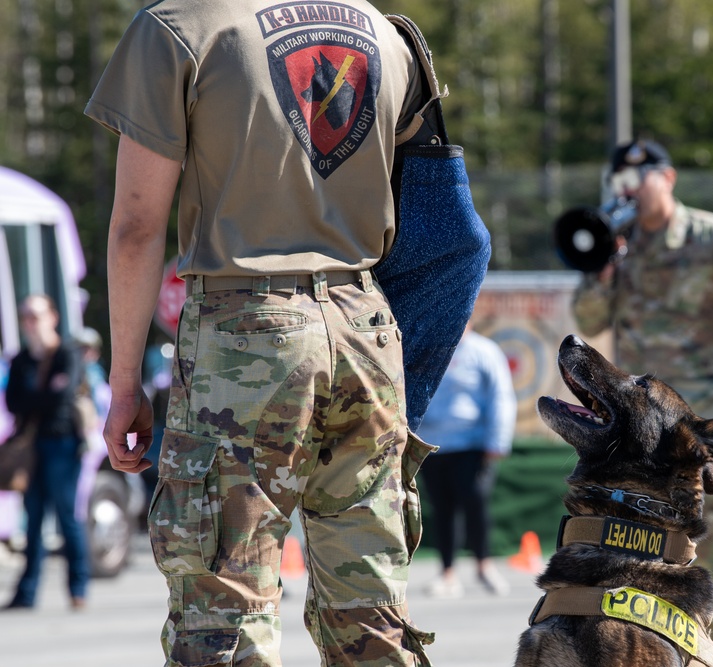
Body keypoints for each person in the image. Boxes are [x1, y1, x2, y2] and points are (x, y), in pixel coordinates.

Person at [85, 3, 440, 665]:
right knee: (371, 614)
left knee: (225, 608)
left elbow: (138, 227)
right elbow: (435, 206)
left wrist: (126, 382)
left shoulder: (180, 26)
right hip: (364, 323)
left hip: (244, 334)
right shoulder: (382, 31)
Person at [572, 138, 713, 642]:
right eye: (621, 183)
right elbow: (588, 318)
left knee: (712, 519)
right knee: (636, 523)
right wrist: (601, 269)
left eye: (640, 180)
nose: (631, 191)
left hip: (699, 403)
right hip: (642, 417)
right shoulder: (619, 245)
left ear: (668, 178)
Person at [416, 324, 517, 599]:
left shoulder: (483, 351)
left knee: (475, 502)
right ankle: (447, 572)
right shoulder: (429, 348)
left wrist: (498, 440)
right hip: (432, 443)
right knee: (442, 509)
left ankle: (484, 565)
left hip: (472, 444)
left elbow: (501, 396)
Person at [2, 295, 89, 611]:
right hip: (31, 447)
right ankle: (26, 594)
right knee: (34, 520)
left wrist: (36, 397)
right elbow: (13, 402)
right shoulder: (21, 359)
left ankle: (78, 589)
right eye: (25, 316)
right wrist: (43, 394)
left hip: (62, 444)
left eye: (35, 315)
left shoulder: (67, 353)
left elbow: (63, 397)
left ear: (52, 317)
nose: (30, 322)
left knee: (68, 517)